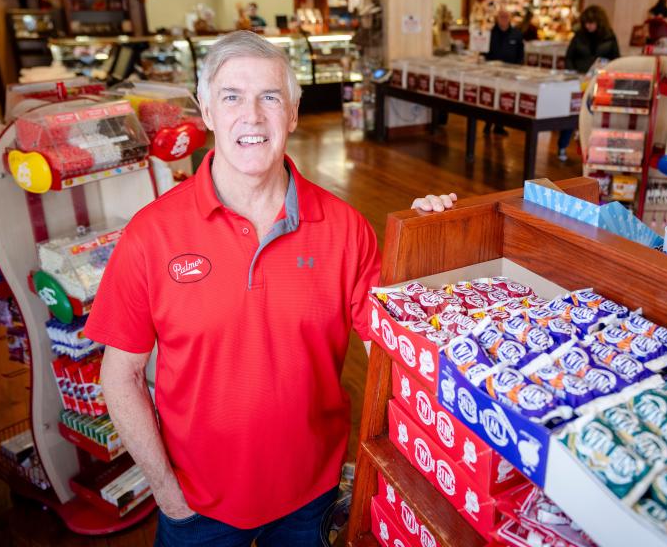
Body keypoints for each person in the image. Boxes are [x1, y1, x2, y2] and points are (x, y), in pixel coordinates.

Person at [84, 30, 455, 547]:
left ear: (295, 112)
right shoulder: (151, 234)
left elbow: (393, 352)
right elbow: (118, 375)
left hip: (312, 499)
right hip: (196, 507)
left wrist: (435, 250)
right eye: (232, 96)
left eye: (270, 97)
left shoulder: (345, 227)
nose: (252, 116)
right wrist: (168, 494)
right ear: (207, 111)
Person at [559, 5, 620, 161]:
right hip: (579, 81)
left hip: (601, 83)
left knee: (596, 118)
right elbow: (569, 57)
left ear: (599, 22)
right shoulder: (579, 36)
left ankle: (594, 151)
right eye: (586, 23)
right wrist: (573, 74)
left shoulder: (609, 37)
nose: (588, 26)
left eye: (591, 23)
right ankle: (562, 147)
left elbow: (616, 60)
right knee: (572, 115)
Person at [483, 9, 525, 135]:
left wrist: (517, 68)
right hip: (493, 72)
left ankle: (499, 126)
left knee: (505, 98)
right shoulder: (490, 33)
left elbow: (520, 53)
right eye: (501, 17)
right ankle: (488, 123)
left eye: (506, 17)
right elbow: (484, 51)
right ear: (497, 18)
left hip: (510, 72)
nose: (504, 19)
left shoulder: (516, 34)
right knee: (491, 98)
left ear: (510, 18)